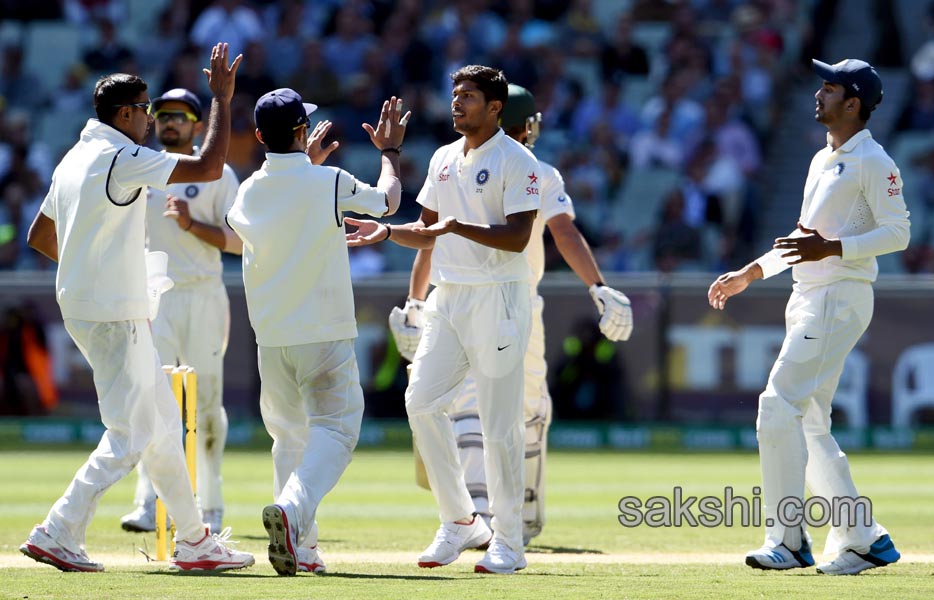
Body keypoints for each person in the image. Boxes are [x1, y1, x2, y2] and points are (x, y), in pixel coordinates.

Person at [20, 43, 254, 573]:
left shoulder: (74, 156)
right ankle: (57, 529)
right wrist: (220, 97)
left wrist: (92, 269)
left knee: (165, 426)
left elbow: (40, 235)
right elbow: (212, 164)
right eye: (146, 109)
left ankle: (194, 540)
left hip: (91, 306)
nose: (150, 118)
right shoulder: (122, 156)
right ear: (124, 114)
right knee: (132, 435)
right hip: (114, 312)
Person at [388, 83, 633, 545]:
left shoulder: (533, 170)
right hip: (457, 298)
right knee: (456, 406)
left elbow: (558, 234)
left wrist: (598, 285)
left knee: (520, 410)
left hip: (511, 301)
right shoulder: (454, 159)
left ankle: (515, 515)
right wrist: (417, 302)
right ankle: (475, 516)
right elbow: (429, 235)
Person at [708, 58, 908, 576]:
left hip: (840, 297)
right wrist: (750, 272)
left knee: (777, 406)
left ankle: (788, 539)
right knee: (811, 423)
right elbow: (802, 241)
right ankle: (864, 538)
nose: (818, 94)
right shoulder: (822, 158)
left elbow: (897, 233)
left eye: (830, 88)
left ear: (854, 103)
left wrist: (833, 249)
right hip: (809, 294)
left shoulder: (875, 161)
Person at [346, 65, 540, 574]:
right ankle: (460, 521)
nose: (457, 103)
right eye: (455, 95)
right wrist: (386, 233)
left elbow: (518, 237)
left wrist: (461, 227)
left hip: (498, 297)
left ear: (495, 108)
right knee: (421, 402)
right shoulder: (443, 157)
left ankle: (509, 542)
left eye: (469, 96)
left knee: (499, 426)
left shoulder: (518, 160)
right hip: (448, 297)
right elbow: (428, 231)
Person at [226, 88, 408, 576]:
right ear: (304, 132)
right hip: (322, 332)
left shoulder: (248, 190)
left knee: (288, 438)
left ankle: (302, 550)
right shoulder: (328, 180)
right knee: (338, 428)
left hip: (271, 338)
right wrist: (389, 153)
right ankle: (292, 512)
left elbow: (273, 205)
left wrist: (300, 164)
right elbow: (388, 202)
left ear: (260, 136)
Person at [119, 88, 241, 535]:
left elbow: (240, 242)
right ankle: (149, 503)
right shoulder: (142, 169)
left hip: (204, 295)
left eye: (181, 116)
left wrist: (192, 224)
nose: (171, 123)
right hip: (155, 298)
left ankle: (211, 508)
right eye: (163, 115)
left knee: (206, 403)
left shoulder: (218, 174)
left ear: (196, 124)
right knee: (154, 400)